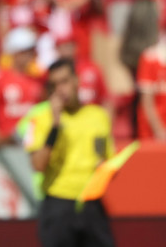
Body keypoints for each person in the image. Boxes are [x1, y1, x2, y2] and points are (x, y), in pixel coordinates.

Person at [24, 59, 115, 247]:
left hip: (91, 203)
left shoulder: (97, 116)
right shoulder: (40, 118)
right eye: (54, 85)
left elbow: (106, 159)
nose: (60, 89)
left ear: (76, 80)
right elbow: (37, 165)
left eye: (64, 81)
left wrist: (105, 168)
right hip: (59, 203)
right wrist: (55, 126)